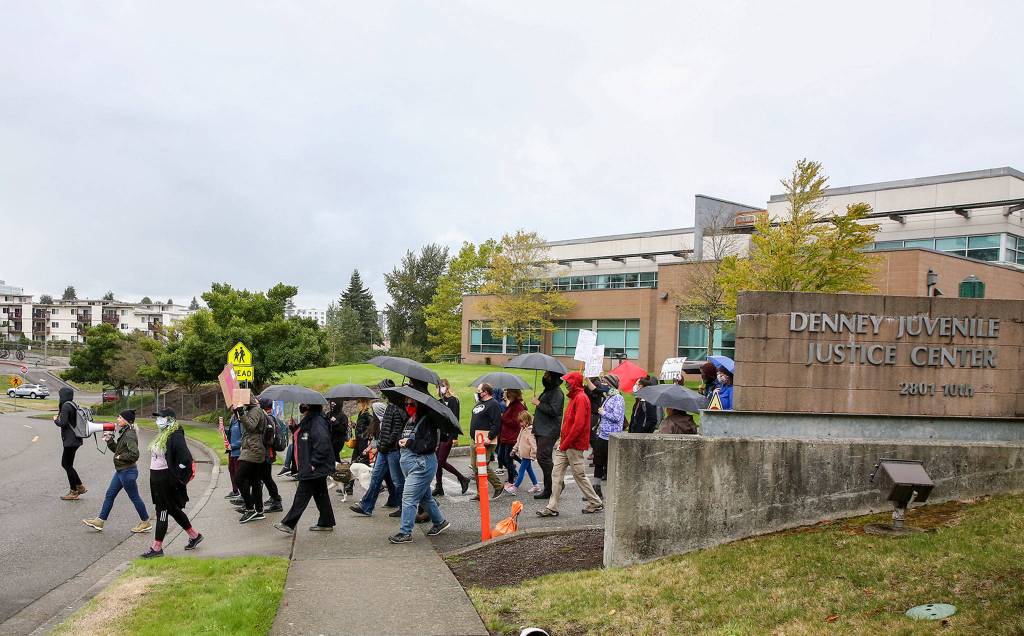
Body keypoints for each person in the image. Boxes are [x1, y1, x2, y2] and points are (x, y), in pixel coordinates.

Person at [537, 372, 603, 517]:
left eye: (568, 381)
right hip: (566, 443)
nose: (565, 384)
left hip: (573, 445)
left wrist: (564, 443)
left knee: (579, 475)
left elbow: (578, 425)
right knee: (556, 474)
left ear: (574, 383)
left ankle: (595, 502)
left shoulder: (580, 398)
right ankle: (552, 507)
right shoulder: (576, 397)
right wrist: (563, 442)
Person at [141, 408, 202, 558]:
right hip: (156, 478)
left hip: (165, 479)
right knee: (173, 509)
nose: (158, 420)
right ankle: (194, 536)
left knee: (162, 511)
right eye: (157, 418)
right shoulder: (163, 435)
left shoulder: (175, 436)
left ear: (170, 419)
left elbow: (185, 459)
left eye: (161, 417)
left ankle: (157, 547)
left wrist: (176, 476)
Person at [389, 398, 450, 544]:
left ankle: (405, 532)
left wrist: (409, 442)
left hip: (421, 466)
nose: (408, 407)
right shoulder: (410, 420)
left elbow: (428, 445)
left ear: (419, 405)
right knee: (425, 498)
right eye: (406, 404)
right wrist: (400, 441)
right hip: (412, 465)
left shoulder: (427, 421)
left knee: (408, 498)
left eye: (411, 404)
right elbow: (401, 436)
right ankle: (440, 522)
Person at [81, 410, 152, 533]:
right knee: (110, 494)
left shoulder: (129, 434)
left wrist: (120, 457)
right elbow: (117, 450)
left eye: (119, 417)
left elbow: (134, 454)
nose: (117, 419)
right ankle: (100, 521)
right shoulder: (125, 432)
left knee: (134, 497)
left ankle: (145, 522)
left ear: (126, 420)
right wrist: (109, 440)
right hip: (121, 471)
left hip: (127, 472)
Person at [274, 403, 336, 534]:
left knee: (302, 494)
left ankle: (288, 524)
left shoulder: (316, 421)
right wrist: (294, 427)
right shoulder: (310, 419)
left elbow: (323, 443)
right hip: (312, 465)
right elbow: (304, 438)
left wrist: (313, 462)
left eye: (304, 404)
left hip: (313, 466)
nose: (301, 406)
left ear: (310, 406)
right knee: (320, 494)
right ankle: (326, 521)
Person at [349, 382, 406, 517]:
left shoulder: (397, 408)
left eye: (383, 389)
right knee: (376, 477)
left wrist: (385, 444)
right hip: (384, 449)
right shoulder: (390, 407)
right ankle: (366, 506)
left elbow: (396, 430)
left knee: (398, 481)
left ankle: (406, 507)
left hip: (391, 449)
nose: (381, 392)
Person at [235, 396, 270, 524]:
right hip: (253, 448)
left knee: (239, 478)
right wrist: (238, 412)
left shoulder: (255, 410)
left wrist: (241, 413)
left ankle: (250, 508)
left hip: (253, 450)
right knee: (254, 481)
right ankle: (259, 511)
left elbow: (250, 426)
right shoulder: (253, 410)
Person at [530, 371, 564, 500]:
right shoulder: (549, 390)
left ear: (553, 377)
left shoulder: (557, 392)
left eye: (547, 375)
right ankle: (548, 489)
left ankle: (557, 484)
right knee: (544, 458)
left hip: (549, 430)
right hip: (542, 429)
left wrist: (538, 403)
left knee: (543, 458)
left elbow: (554, 411)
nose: (545, 377)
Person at [433, 379, 470, 497]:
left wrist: (454, 436)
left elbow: (455, 418)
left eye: (442, 386)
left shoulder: (454, 400)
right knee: (437, 462)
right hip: (440, 434)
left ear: (447, 387)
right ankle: (439, 486)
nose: (440, 389)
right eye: (438, 387)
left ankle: (462, 478)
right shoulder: (438, 401)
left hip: (449, 434)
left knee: (441, 461)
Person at [468, 383, 504, 501]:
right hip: (475, 439)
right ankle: (480, 493)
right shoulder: (480, 403)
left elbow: (497, 423)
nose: (477, 392)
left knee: (481, 466)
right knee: (475, 467)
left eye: (479, 390)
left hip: (485, 440)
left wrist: (490, 437)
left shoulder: (493, 404)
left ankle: (498, 485)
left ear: (485, 392)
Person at [592, 374, 624, 499]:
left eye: (605, 382)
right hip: (602, 435)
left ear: (611, 384)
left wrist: (603, 412)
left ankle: (613, 492)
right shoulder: (609, 397)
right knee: (598, 462)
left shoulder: (618, 398)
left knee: (609, 464)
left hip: (611, 436)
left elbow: (617, 417)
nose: (602, 384)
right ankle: (596, 490)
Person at [53, 387, 85, 500]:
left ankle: (74, 491)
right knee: (68, 464)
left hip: (70, 440)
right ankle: (79, 486)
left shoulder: (66, 406)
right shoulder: (72, 404)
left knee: (66, 465)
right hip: (75, 439)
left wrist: (55, 420)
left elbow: (63, 423)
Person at [498, 389, 526, 494]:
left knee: (507, 458)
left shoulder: (518, 406)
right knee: (501, 457)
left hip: (512, 437)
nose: (507, 394)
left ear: (515, 394)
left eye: (509, 392)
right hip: (505, 436)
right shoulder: (511, 404)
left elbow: (516, 423)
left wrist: (503, 418)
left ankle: (511, 480)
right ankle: (514, 473)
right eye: (507, 392)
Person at [259, 399, 284, 513]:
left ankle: (276, 501)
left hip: (267, 452)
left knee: (266, 478)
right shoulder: (272, 417)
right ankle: (274, 498)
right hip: (269, 452)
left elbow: (267, 438)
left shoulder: (268, 419)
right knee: (266, 477)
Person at [510, 410, 540, 494]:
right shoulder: (522, 430)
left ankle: (515, 487)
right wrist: (514, 450)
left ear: (527, 420)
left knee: (521, 471)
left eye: (521, 422)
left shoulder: (530, 431)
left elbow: (533, 445)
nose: (520, 424)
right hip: (524, 455)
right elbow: (518, 441)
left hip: (527, 456)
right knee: (529, 470)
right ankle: (536, 486)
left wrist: (533, 456)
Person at [351, 398, 374, 467]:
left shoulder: (367, 414)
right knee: (355, 459)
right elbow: (362, 426)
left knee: (362, 459)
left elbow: (373, 424)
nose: (357, 405)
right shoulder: (360, 414)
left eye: (358, 403)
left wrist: (367, 435)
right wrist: (355, 425)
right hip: (359, 440)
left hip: (363, 440)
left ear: (363, 404)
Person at [225, 414, 242, 500]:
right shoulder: (233, 417)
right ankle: (235, 491)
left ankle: (242, 493)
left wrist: (234, 445)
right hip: (232, 451)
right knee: (231, 469)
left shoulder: (242, 418)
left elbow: (245, 437)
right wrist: (224, 430)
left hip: (239, 452)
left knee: (238, 471)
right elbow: (231, 433)